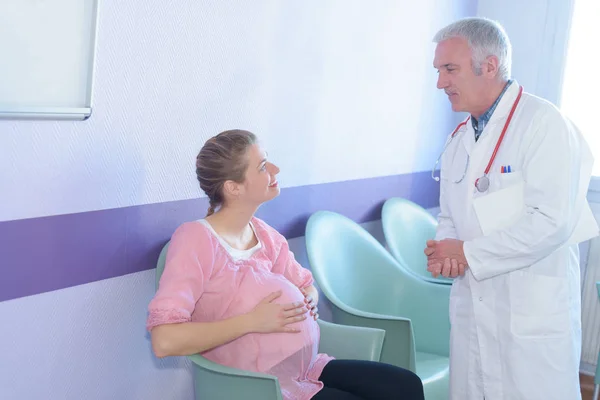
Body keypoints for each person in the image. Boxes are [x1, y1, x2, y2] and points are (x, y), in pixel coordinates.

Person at [147, 129, 425, 400]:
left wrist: (308, 301)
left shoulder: (265, 234)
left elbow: (306, 287)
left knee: (404, 385)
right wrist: (251, 322)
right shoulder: (195, 239)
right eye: (263, 166)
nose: (276, 170)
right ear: (233, 188)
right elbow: (164, 341)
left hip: (303, 368)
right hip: (253, 382)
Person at [425, 17, 596, 400]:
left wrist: (467, 253)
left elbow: (553, 220)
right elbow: (450, 216)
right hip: (475, 310)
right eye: (438, 71)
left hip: (530, 313)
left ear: (489, 66)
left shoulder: (543, 124)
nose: (440, 83)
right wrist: (446, 249)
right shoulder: (459, 140)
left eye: (449, 69)